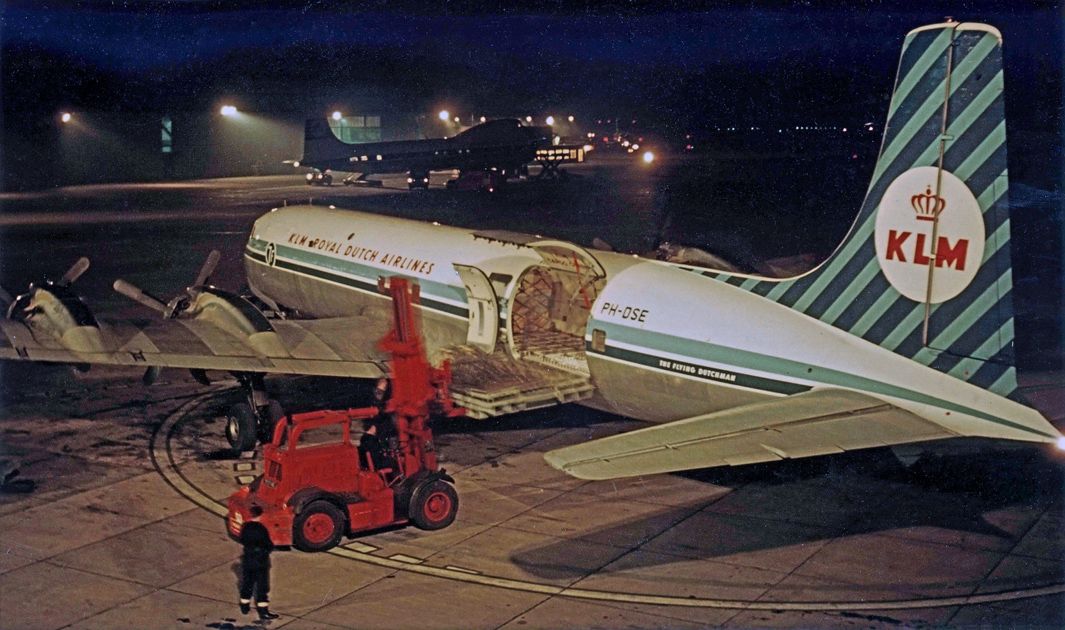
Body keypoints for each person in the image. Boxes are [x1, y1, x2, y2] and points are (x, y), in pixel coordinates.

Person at [238, 520, 280, 621]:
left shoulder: (246, 527)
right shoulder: (261, 528)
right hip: (260, 562)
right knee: (262, 587)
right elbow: (268, 545)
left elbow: (242, 540)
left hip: (248, 561)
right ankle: (263, 612)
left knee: (247, 584)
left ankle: (244, 607)